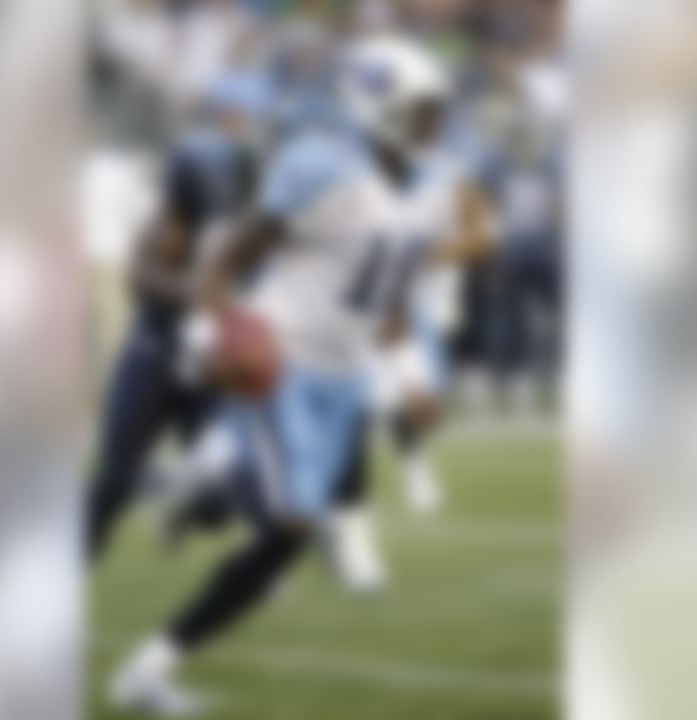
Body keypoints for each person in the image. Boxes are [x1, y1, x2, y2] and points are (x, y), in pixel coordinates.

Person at [109, 35, 460, 715]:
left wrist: (410, 377)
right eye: (421, 111)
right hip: (281, 360)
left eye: (437, 112)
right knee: (297, 521)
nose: (435, 126)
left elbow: (387, 300)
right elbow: (227, 256)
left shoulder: (434, 189)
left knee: (282, 546)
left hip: (348, 377)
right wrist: (209, 337)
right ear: (378, 105)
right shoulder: (324, 167)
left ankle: (151, 661)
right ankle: (205, 476)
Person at [84, 72, 268, 560]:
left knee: (225, 497)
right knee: (115, 482)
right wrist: (196, 292)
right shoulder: (172, 218)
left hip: (210, 371)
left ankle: (176, 504)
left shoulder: (258, 226)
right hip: (156, 353)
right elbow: (140, 275)